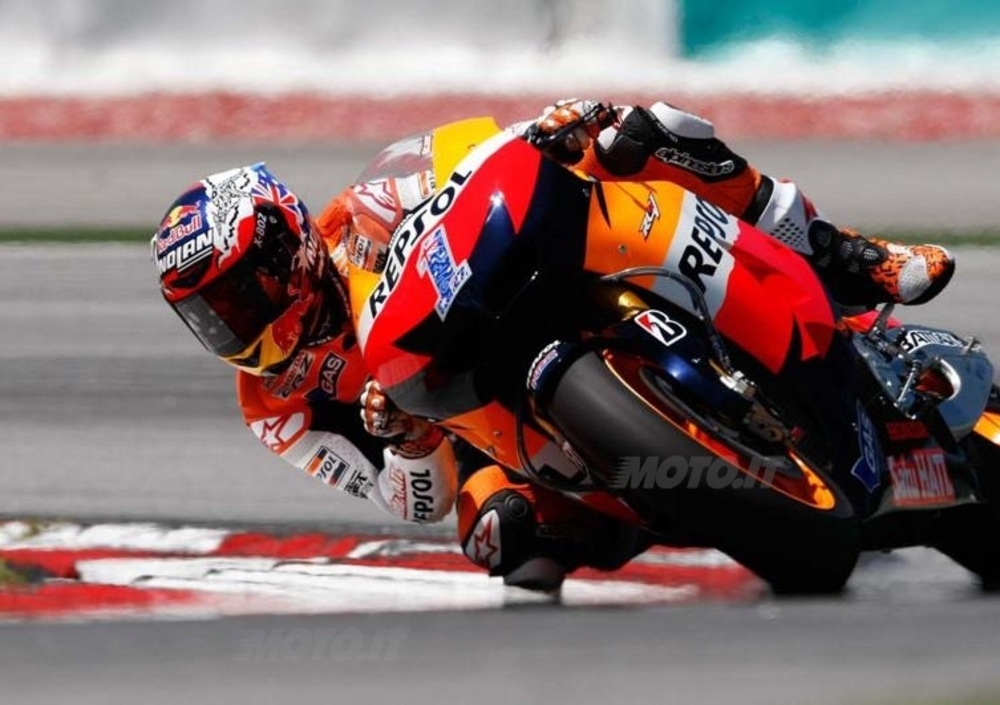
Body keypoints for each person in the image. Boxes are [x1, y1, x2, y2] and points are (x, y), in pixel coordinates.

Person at [153, 98, 954, 591]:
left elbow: (477, 158)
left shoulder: (364, 210)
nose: (235, 325)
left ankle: (841, 253)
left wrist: (549, 131)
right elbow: (412, 503)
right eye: (210, 317)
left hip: (516, 289)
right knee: (501, 539)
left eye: (239, 294)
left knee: (643, 134)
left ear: (287, 246)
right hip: (472, 430)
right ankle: (647, 498)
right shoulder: (276, 406)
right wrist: (408, 442)